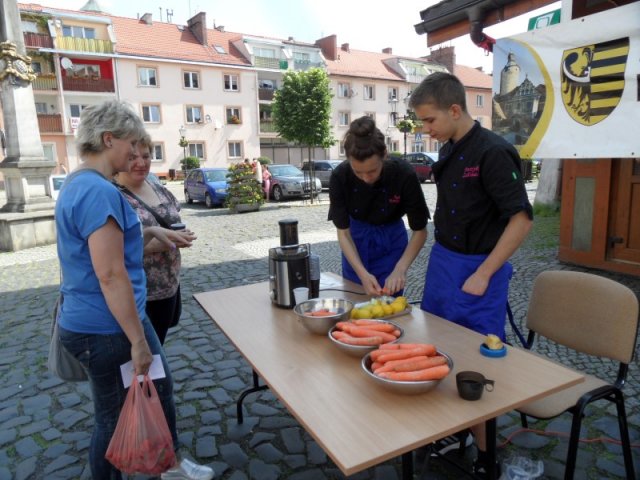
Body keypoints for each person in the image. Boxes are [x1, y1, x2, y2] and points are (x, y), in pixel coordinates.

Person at [55, 100, 213, 480]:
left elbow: (108, 247)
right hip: (106, 328)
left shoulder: (80, 183)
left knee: (158, 387)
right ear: (108, 140)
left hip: (99, 321)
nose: (138, 153)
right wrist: (138, 340)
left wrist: (152, 231)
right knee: (112, 417)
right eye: (132, 144)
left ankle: (169, 464)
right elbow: (110, 274)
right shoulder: (100, 192)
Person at [409, 72, 533, 477]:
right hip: (444, 263)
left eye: (429, 121)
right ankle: (445, 428)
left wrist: (484, 272)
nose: (425, 130)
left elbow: (521, 220)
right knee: (436, 350)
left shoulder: (494, 153)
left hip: (480, 270)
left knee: (475, 368)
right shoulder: (449, 147)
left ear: (455, 110)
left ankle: (485, 457)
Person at [328, 116, 429, 296]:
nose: (366, 178)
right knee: (356, 301)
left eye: (372, 171)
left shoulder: (404, 174)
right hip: (355, 243)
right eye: (358, 172)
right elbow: (343, 233)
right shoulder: (340, 176)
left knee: (390, 304)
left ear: (384, 155)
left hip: (392, 243)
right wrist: (362, 273)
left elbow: (420, 231)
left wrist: (400, 269)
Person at [114, 137, 197, 344]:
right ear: (121, 159)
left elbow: (172, 220)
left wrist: (180, 235)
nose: (141, 163)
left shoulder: (157, 187)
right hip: (140, 293)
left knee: (158, 343)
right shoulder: (114, 196)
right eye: (132, 157)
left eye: (146, 156)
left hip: (169, 286)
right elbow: (114, 251)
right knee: (145, 351)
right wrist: (164, 242)